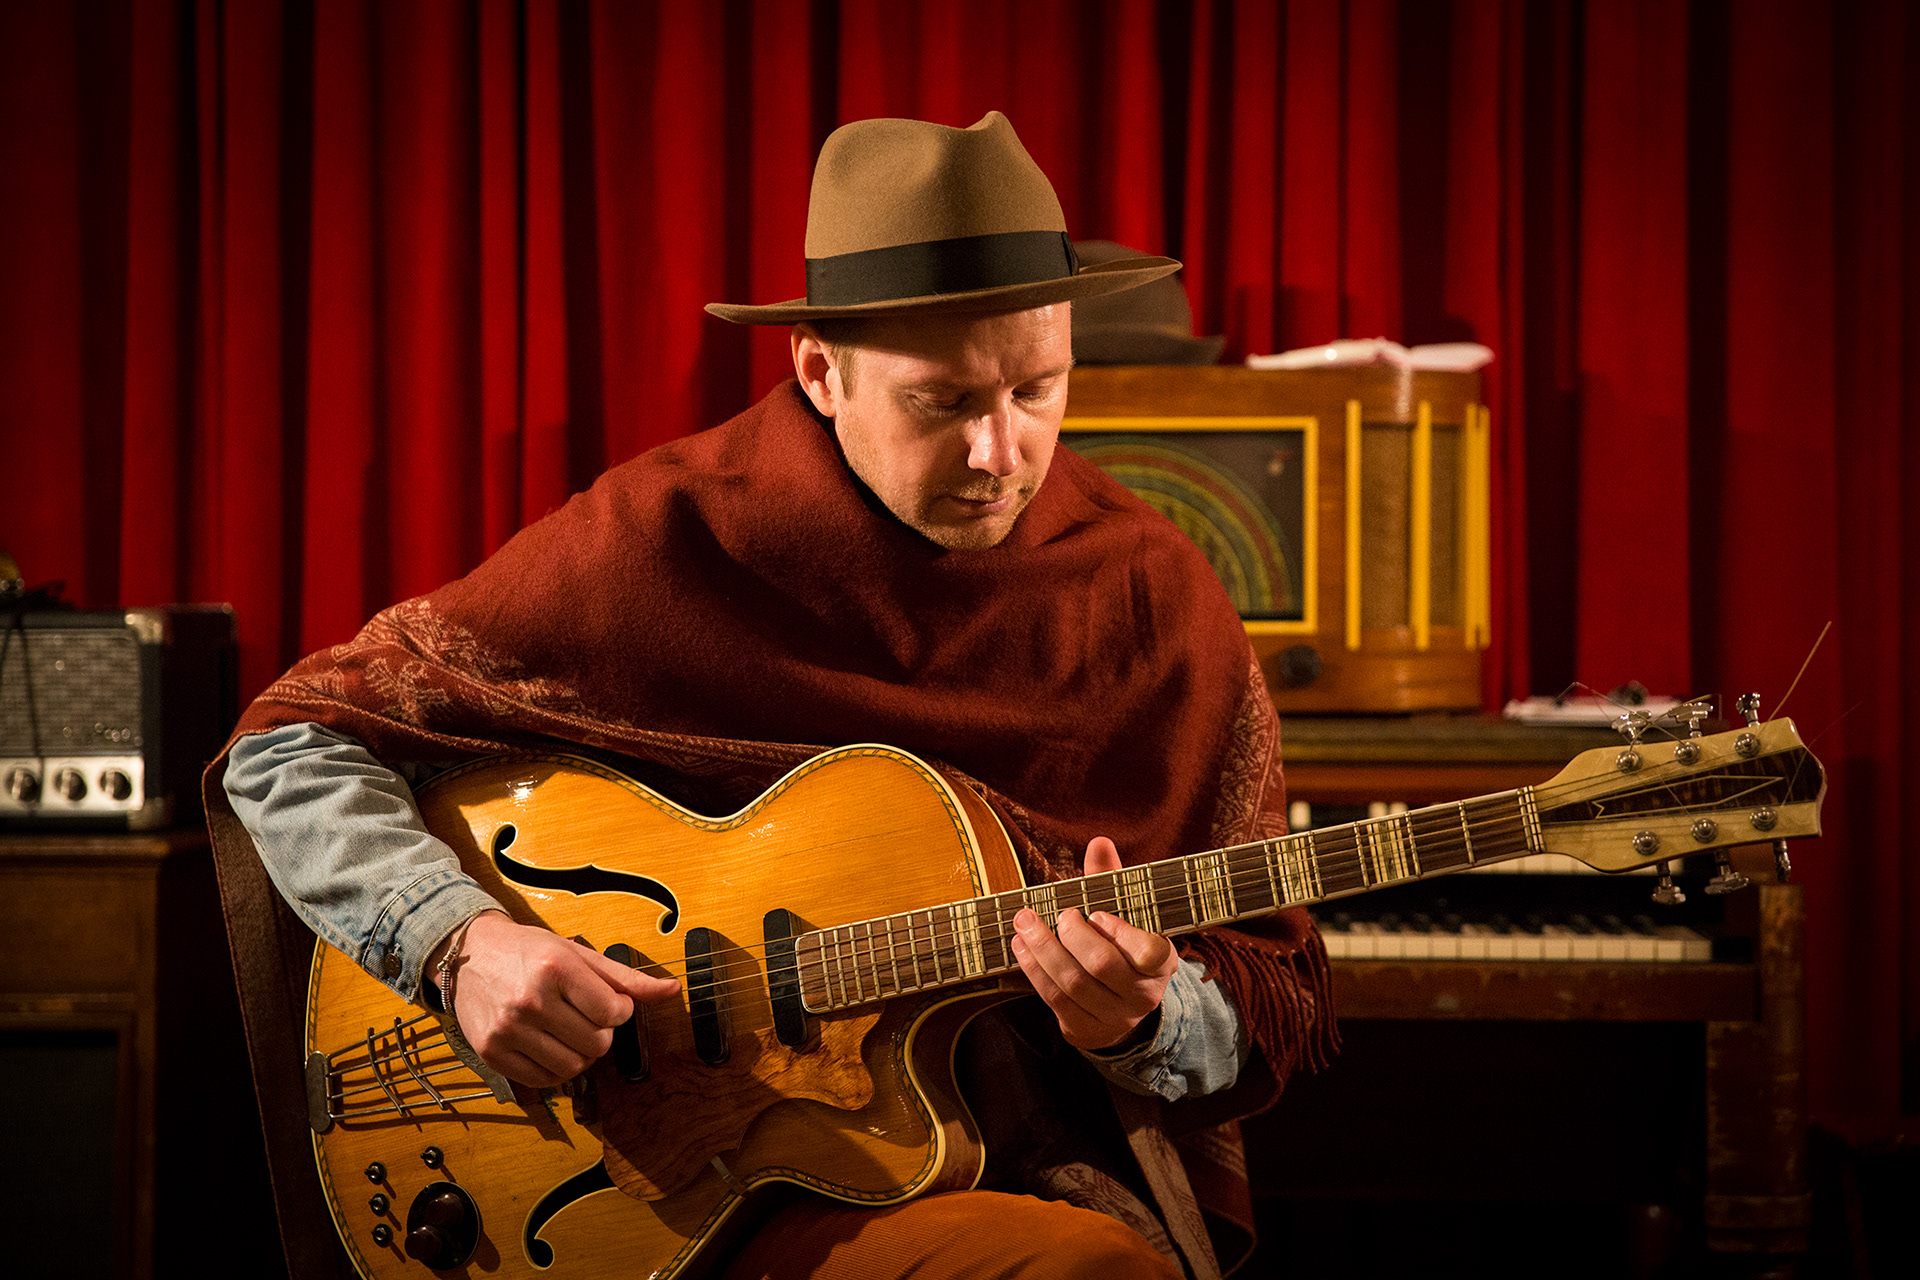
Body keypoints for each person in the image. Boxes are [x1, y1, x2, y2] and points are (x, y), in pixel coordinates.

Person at [209, 112, 1332, 1280]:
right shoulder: (662, 537)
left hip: (994, 1162)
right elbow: (287, 747)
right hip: (625, 1184)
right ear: (819, 371)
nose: (1002, 451)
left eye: (1037, 389)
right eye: (944, 403)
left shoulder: (1150, 592)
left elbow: (1256, 997)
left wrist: (1143, 1019)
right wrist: (461, 942)